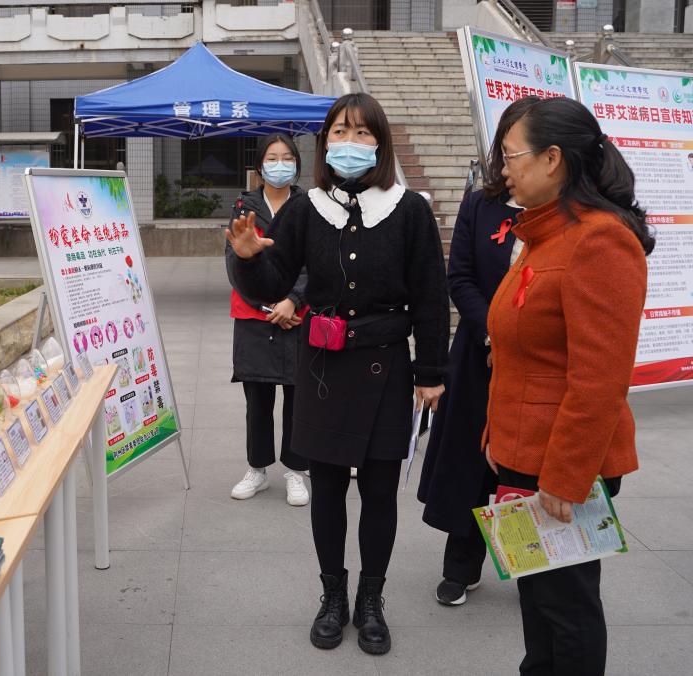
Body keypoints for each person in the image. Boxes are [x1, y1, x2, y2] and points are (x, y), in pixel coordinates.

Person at [226, 93, 449, 655]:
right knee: (325, 486)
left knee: (378, 490)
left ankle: (372, 600)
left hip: (387, 364)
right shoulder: (307, 209)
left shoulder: (409, 209)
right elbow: (273, 283)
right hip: (322, 366)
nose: (350, 143)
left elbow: (430, 295)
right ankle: (333, 597)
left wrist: (431, 371)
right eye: (340, 132)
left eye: (362, 132)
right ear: (325, 142)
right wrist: (249, 258)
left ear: (381, 142)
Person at [486, 96, 653, 675]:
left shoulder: (599, 241)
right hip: (523, 453)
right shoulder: (545, 235)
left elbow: (600, 378)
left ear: (552, 158)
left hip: (560, 465)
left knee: (567, 609)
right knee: (538, 598)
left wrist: (565, 476)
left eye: (511, 156)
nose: (503, 169)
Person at [416, 96, 537, 607]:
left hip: (535, 365)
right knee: (471, 464)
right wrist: (494, 331)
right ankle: (461, 567)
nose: (510, 160)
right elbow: (460, 276)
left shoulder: (567, 214)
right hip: (477, 355)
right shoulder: (479, 203)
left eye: (519, 150)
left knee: (522, 468)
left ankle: (532, 569)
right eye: (507, 149)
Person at [224, 132, 310, 507]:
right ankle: (257, 469)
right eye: (272, 158)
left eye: (287, 157)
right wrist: (269, 307)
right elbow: (235, 264)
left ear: (297, 164)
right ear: (259, 166)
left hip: (298, 316)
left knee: (298, 397)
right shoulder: (244, 207)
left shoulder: (307, 206)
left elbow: (315, 263)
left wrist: (293, 301)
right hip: (254, 318)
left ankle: (296, 469)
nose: (280, 164)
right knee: (257, 399)